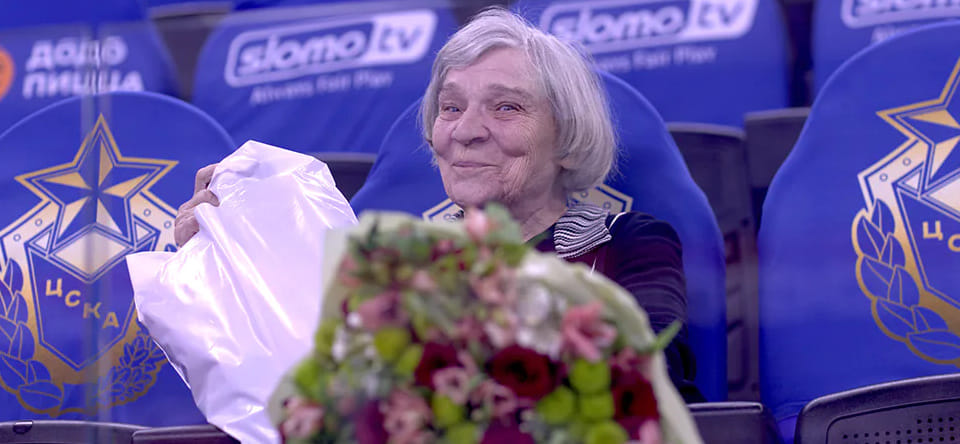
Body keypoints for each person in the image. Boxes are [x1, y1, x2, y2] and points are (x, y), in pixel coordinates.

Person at [175, 7, 704, 402]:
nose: (466, 131)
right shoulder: (389, 267)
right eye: (450, 108)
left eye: (506, 107)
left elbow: (652, 381)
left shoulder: (630, 243)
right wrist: (219, 270)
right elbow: (285, 387)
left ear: (567, 137)